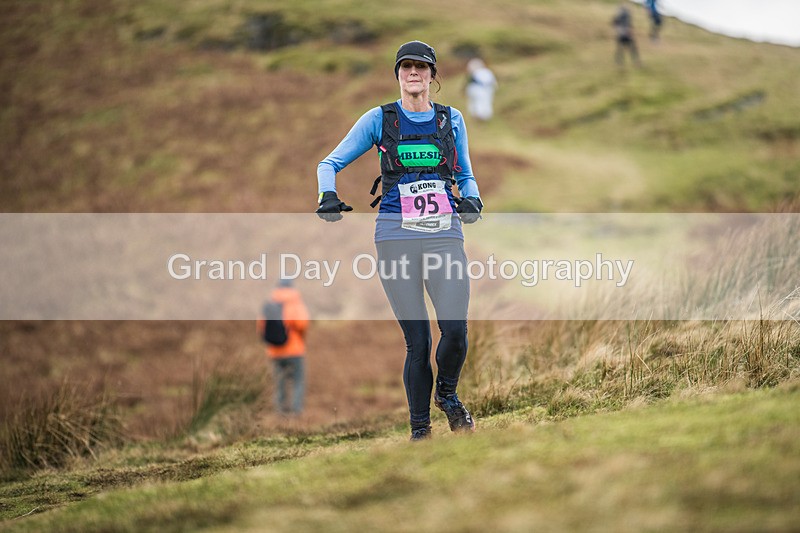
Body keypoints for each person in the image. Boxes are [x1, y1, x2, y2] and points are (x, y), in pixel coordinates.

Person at [315, 40, 483, 441]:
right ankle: (420, 432)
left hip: (444, 236)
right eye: (406, 67)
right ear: (397, 74)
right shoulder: (380, 118)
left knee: (456, 332)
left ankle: (447, 396)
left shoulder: (451, 120)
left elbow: (466, 175)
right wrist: (327, 195)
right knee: (419, 342)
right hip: (395, 238)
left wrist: (473, 198)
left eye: (421, 67)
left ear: (432, 75)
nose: (413, 73)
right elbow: (329, 163)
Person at [257, 278, 309, 415]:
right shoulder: (295, 303)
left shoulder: (270, 304)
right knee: (297, 380)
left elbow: (261, 326)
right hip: (294, 350)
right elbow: (302, 324)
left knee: (280, 381)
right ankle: (296, 411)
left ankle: (280, 410)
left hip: (275, 351)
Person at [464, 57, 497, 122]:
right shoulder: (478, 73)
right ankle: (479, 117)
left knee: (482, 103)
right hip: (480, 91)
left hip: (483, 91)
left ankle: (482, 117)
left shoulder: (482, 72)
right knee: (479, 104)